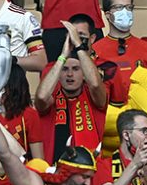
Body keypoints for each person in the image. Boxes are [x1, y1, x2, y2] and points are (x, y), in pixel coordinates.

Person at [34, 20, 108, 162]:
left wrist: (79, 46)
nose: (69, 75)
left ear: (84, 73)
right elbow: (42, 97)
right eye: (65, 69)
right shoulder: (53, 93)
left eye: (75, 69)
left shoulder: (94, 95)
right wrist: (62, 56)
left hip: (89, 169)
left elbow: (95, 83)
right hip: (54, 169)